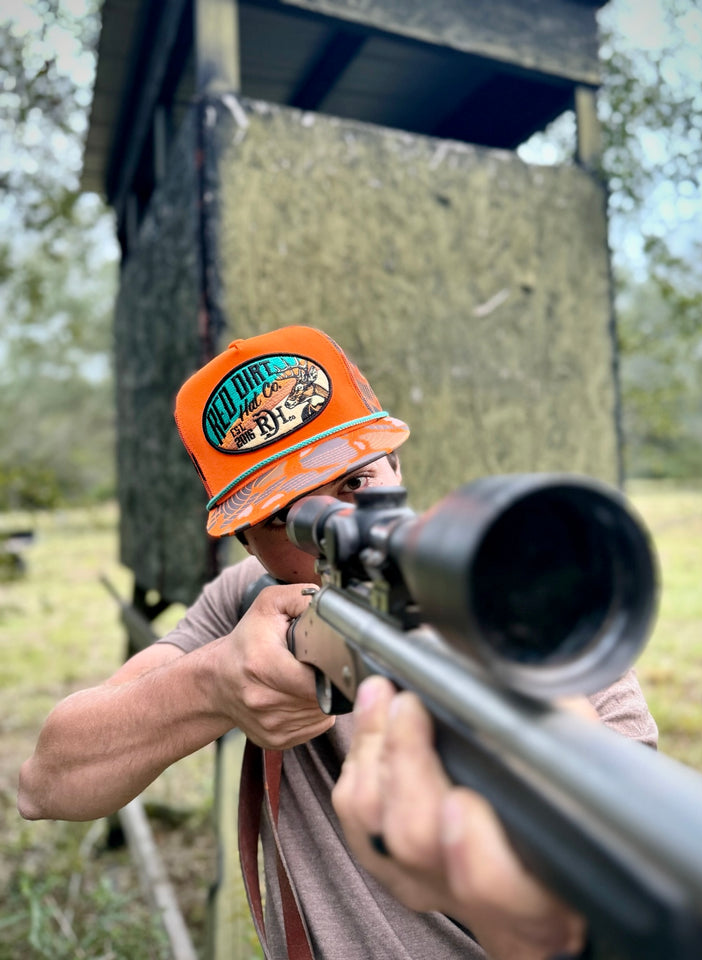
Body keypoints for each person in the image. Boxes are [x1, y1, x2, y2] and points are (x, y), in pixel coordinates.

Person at [18, 326, 658, 960]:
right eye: (289, 516)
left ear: (396, 469)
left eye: (355, 482)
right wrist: (213, 686)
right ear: (246, 541)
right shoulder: (248, 604)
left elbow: (644, 864)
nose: (337, 528)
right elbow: (46, 783)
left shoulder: (535, 604)